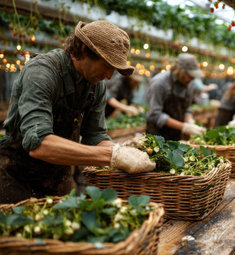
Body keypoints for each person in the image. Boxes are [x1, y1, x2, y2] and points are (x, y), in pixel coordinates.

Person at [0, 20, 155, 204]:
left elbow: (95, 136)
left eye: (114, 69)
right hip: (17, 179)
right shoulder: (42, 73)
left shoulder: (96, 85)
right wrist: (112, 156)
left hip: (58, 180)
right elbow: (39, 144)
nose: (109, 76)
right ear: (83, 49)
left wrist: (122, 150)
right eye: (107, 65)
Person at [146, 53, 206, 141]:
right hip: (157, 136)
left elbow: (186, 109)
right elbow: (155, 114)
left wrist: (190, 121)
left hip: (175, 134)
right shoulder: (159, 83)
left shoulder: (190, 83)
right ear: (180, 71)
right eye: (190, 75)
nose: (192, 78)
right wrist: (184, 126)